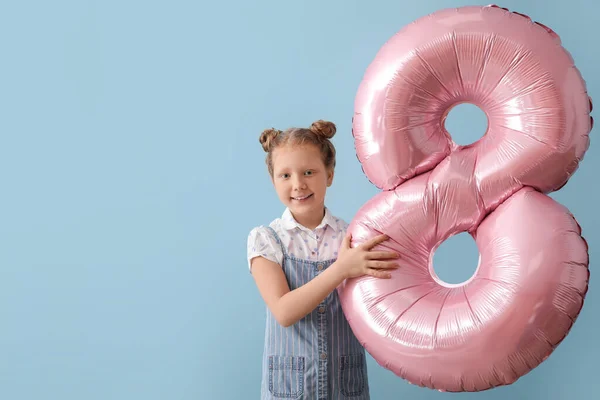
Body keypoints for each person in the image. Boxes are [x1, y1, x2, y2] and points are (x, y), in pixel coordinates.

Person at [246, 119, 400, 399]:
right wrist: (341, 268)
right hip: (291, 390)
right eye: (285, 176)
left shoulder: (352, 236)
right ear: (273, 181)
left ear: (329, 174)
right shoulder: (266, 240)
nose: (298, 184)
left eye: (309, 172)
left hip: (346, 386)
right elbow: (284, 311)